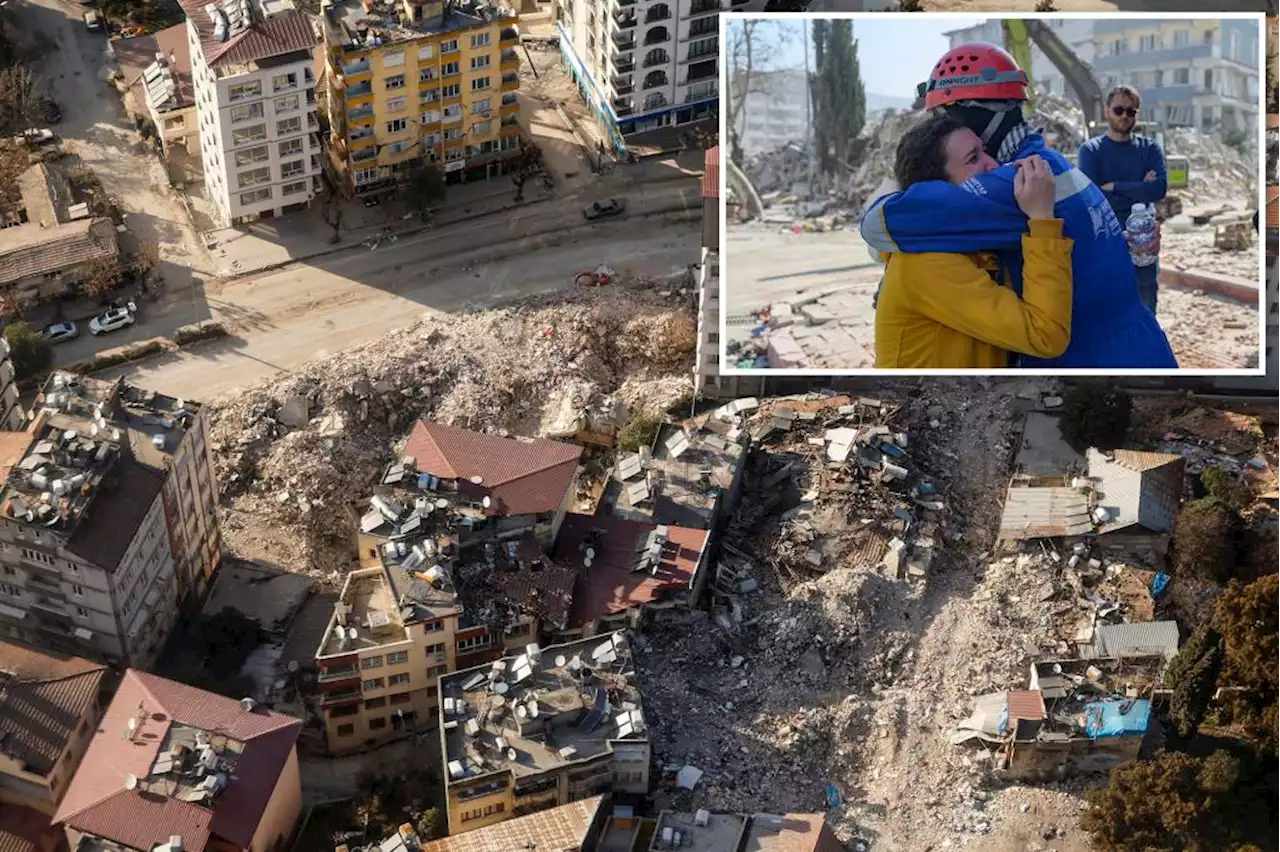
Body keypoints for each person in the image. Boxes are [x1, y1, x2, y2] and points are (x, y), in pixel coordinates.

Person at [861, 42, 1177, 369]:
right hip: (1135, 345)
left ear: (973, 113)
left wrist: (904, 171)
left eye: (943, 116)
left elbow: (876, 226)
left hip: (1094, 362)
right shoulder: (1050, 164)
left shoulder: (1014, 183)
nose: (941, 127)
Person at [875, 114, 1074, 369]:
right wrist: (1042, 219)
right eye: (973, 159)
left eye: (985, 151)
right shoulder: (927, 264)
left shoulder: (965, 240)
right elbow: (1045, 335)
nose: (993, 165)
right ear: (938, 191)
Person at [1077, 85, 1167, 315]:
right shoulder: (1091, 151)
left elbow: (1158, 189)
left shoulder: (1150, 149)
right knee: (1107, 319)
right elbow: (1092, 199)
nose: (1125, 116)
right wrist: (1140, 188)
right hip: (1106, 245)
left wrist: (1115, 187)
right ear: (1107, 112)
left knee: (1146, 315)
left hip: (1143, 247)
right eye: (1119, 110)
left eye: (1131, 111)